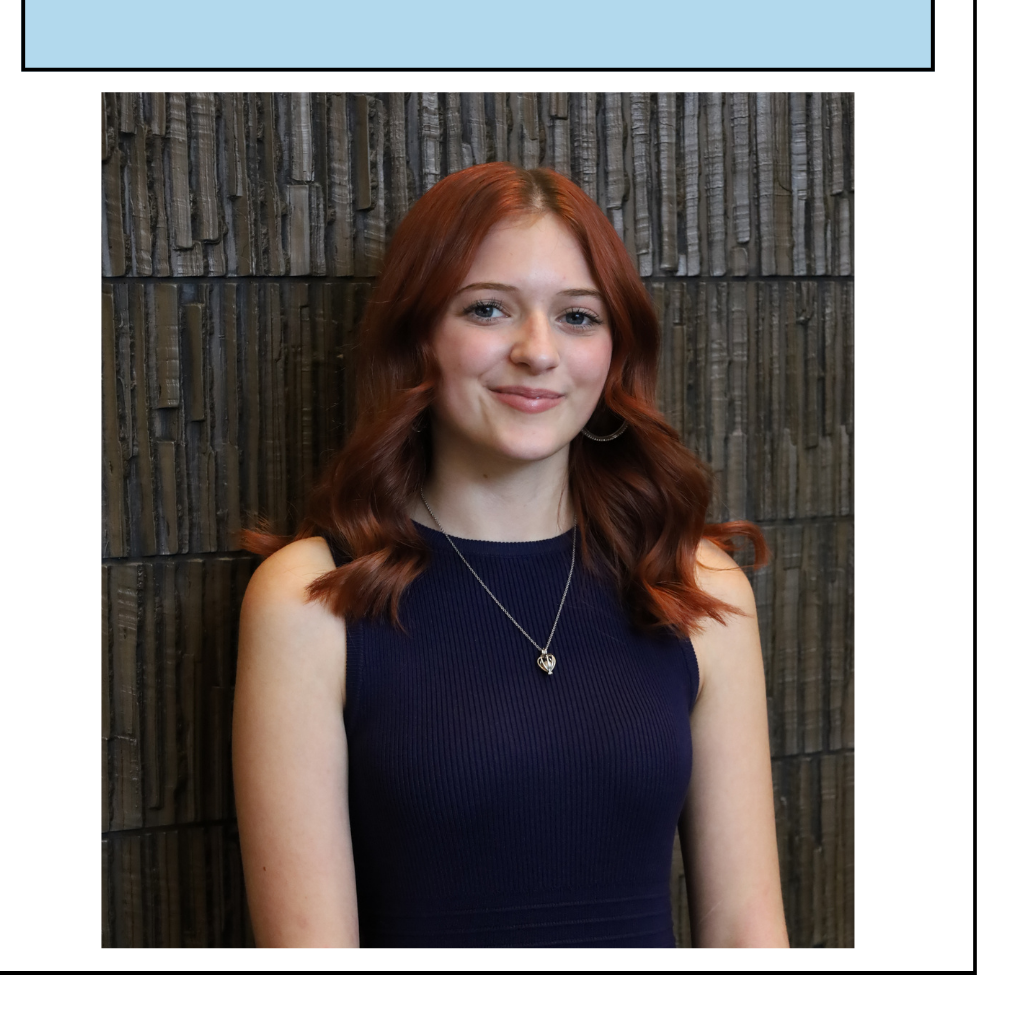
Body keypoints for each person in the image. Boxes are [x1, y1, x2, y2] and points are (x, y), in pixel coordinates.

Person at [232, 163, 789, 949]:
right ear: (420, 335)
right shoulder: (311, 600)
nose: (537, 351)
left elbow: (747, 940)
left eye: (578, 317)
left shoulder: (695, 587)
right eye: (489, 309)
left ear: (613, 349)